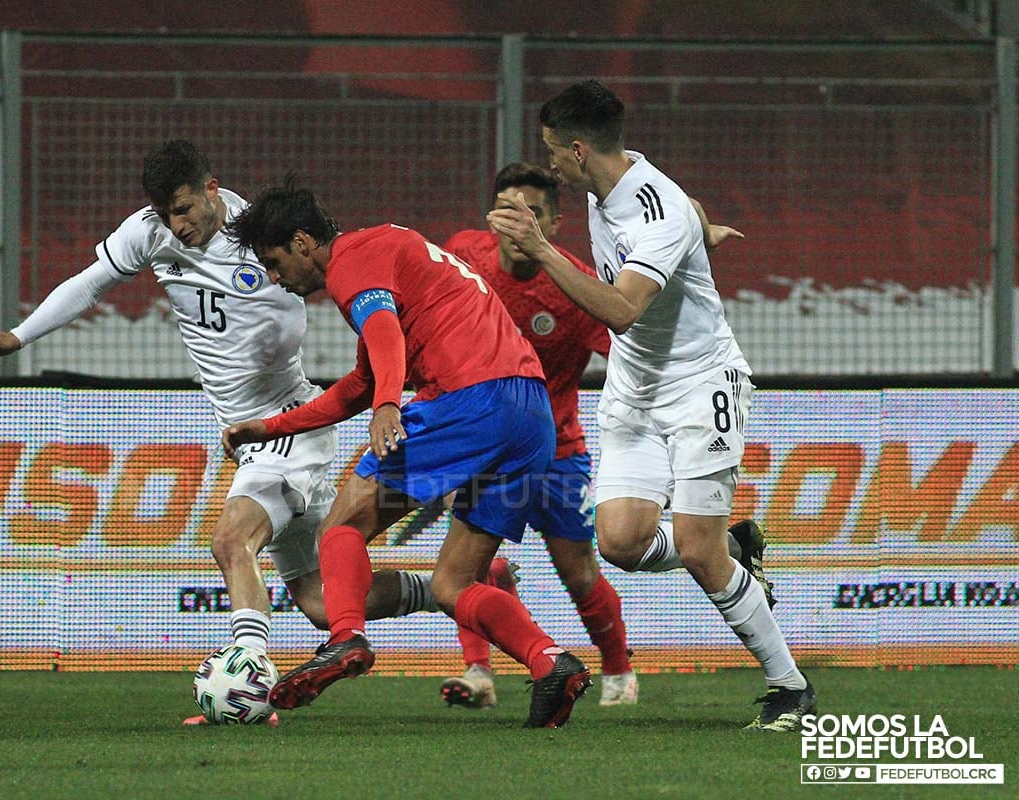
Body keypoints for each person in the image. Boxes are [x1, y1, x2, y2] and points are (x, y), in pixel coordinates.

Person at [0, 140, 438, 725]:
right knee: (318, 601)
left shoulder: (260, 237)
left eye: (184, 209)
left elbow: (317, 281)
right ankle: (457, 585)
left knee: (231, 542)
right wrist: (20, 334)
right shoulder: (150, 232)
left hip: (288, 418)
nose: (176, 226)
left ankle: (247, 682)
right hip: (254, 434)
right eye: (165, 214)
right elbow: (89, 284)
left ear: (212, 190)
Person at [487, 80, 816, 732]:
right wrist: (706, 229)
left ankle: (791, 689)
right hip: (633, 396)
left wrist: (542, 248)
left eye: (555, 153)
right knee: (621, 543)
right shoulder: (620, 180)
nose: (550, 165)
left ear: (580, 151)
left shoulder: (653, 212)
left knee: (696, 551)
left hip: (701, 389)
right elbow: (683, 205)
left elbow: (623, 310)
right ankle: (732, 545)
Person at [222, 179, 590, 728]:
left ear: (302, 242)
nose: (274, 278)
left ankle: (345, 639)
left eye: (274, 262)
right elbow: (359, 385)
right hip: (530, 414)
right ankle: (552, 664)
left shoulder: (352, 261)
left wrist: (389, 407)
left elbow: (385, 341)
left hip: (471, 400)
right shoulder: (387, 256)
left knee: (343, 525)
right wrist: (268, 427)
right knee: (454, 585)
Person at [434, 162, 763, 711]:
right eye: (507, 210)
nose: (516, 222)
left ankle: (617, 669)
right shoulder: (463, 257)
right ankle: (477, 673)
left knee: (581, 571)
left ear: (554, 224)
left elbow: (635, 348)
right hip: (488, 449)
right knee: (473, 567)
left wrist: (699, 237)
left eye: (530, 213)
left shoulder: (574, 286)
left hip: (556, 451)